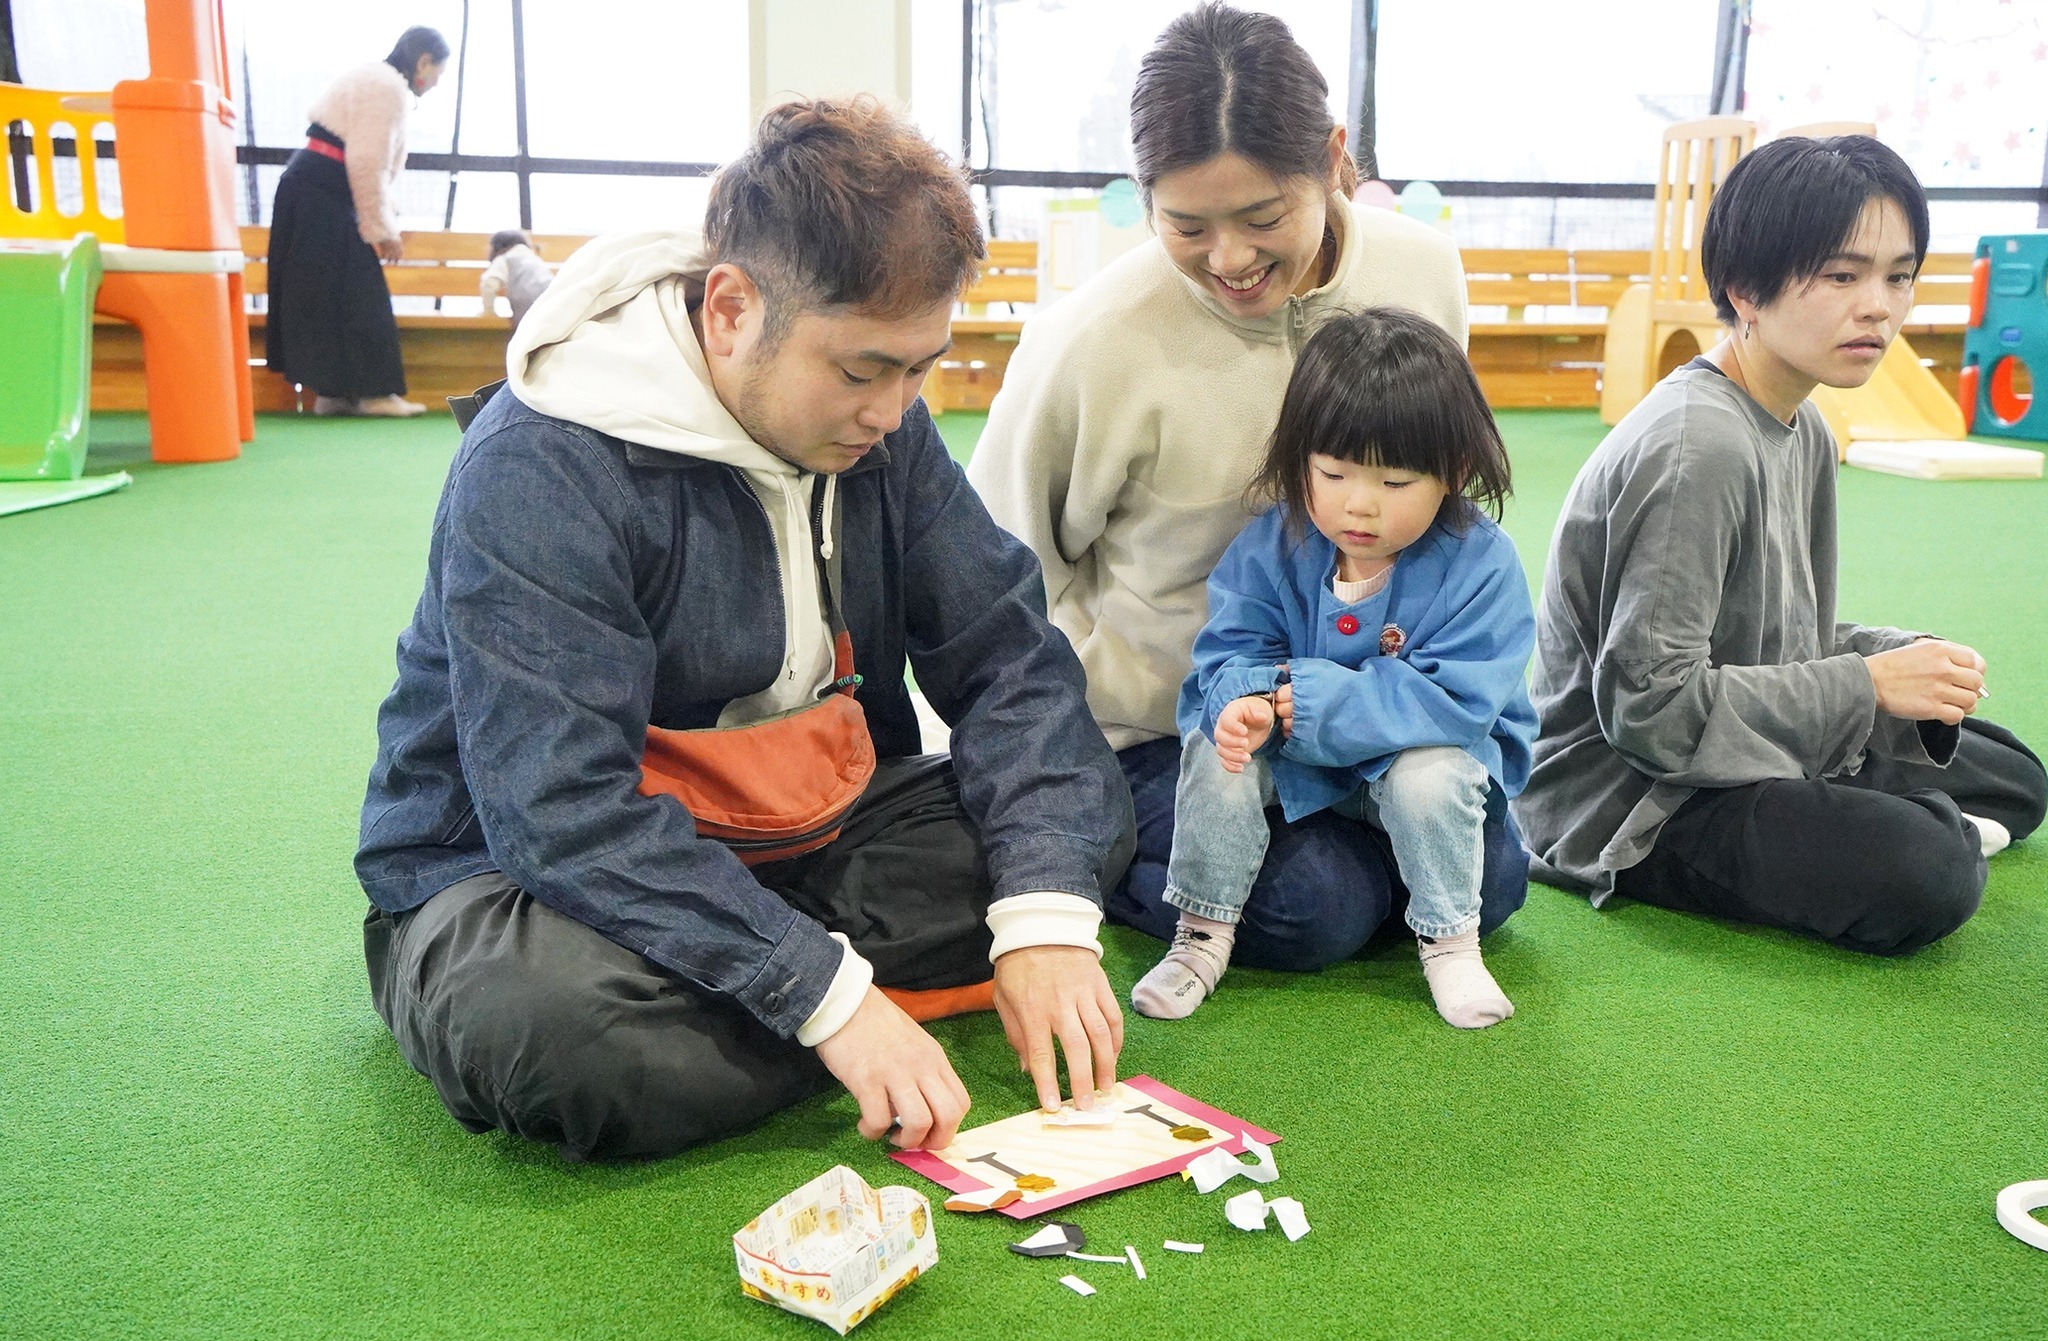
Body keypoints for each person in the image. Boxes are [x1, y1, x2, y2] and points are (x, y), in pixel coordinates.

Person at [355, 97, 1135, 1163]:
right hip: (518, 871)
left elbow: (1009, 663)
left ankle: (767, 989)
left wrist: (1042, 916)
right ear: (730, 310)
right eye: (863, 370)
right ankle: (833, 999)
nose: (896, 413)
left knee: (1073, 846)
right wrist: (825, 998)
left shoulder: (883, 433)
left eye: (921, 367)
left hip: (803, 828)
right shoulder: (540, 465)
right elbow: (558, 810)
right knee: (561, 1037)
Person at [970, 2, 1525, 977]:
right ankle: (1116, 849)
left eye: (1262, 217)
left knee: (1497, 873)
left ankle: (1342, 867)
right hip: (1168, 729)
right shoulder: (1090, 343)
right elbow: (989, 576)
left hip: (1362, 710)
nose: (1228, 258)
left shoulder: (1421, 275)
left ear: (1332, 158)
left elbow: (1432, 494)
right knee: (1309, 906)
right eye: (1185, 224)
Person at [1517, 135, 2047, 955]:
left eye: (1897, 276)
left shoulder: (1801, 424)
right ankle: (1918, 826)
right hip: (1637, 796)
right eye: (1842, 276)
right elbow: (1648, 712)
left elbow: (1779, 635)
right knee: (1928, 868)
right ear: (1745, 291)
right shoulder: (1700, 447)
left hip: (1732, 737)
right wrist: (1865, 684)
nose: (1878, 305)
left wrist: (1898, 658)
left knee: (2015, 774)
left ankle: (1901, 811)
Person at [1133, 308, 1534, 1028]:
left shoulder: (1482, 562)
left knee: (1448, 803)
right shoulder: (1273, 544)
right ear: (1300, 461)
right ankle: (1200, 933)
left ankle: (1450, 943)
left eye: (1396, 481)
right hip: (1304, 776)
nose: (1359, 503)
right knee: (1219, 753)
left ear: (1456, 473)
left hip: (1422, 768)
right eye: (1334, 472)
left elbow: (1458, 697)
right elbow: (1229, 651)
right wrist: (1248, 701)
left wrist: (1305, 698)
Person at [264, 26, 448, 417]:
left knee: (326, 292)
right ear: (423, 62)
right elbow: (367, 162)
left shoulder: (374, 78)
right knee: (361, 292)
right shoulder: (386, 87)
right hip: (322, 189)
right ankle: (374, 394)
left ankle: (335, 393)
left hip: (311, 188)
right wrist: (381, 230)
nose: (435, 84)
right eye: (438, 74)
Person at [478, 228, 553, 329]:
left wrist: (489, 312)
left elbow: (489, 285)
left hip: (526, 308)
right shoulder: (535, 260)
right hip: (551, 305)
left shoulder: (506, 258)